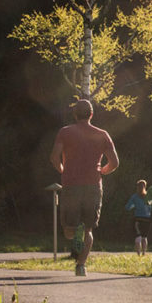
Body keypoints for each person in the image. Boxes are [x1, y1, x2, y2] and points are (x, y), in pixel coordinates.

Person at [49, 99, 119, 276]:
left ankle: (77, 240)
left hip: (71, 184)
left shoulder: (65, 132)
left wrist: (63, 170)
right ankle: (81, 264)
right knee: (88, 229)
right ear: (92, 114)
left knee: (68, 231)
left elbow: (54, 157)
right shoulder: (102, 134)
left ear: (74, 114)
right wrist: (102, 171)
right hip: (93, 185)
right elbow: (115, 162)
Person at [126, 180, 152, 256]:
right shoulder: (149, 196)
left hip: (138, 219)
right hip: (147, 219)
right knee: (144, 237)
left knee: (138, 236)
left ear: (137, 187)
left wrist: (134, 205)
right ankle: (144, 253)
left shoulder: (134, 197)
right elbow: (151, 207)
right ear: (145, 187)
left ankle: (138, 254)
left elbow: (127, 207)